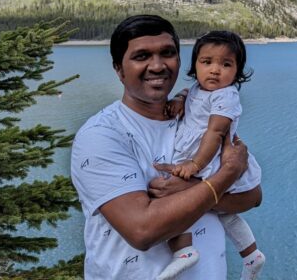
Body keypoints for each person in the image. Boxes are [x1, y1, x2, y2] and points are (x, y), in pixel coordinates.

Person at [70, 15, 261, 279]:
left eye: (167, 53)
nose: (157, 65)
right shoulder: (101, 135)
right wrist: (224, 176)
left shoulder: (197, 119)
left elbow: (252, 196)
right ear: (119, 69)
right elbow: (142, 230)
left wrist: (197, 189)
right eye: (141, 56)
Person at [157, 30, 266, 280]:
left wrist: (195, 164)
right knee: (225, 213)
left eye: (225, 64)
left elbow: (216, 132)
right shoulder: (198, 88)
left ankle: (184, 250)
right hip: (204, 158)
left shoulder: (226, 95)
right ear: (195, 65)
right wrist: (179, 97)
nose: (215, 70)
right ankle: (251, 255)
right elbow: (190, 93)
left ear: (237, 71)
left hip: (210, 160)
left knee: (178, 196)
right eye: (207, 62)